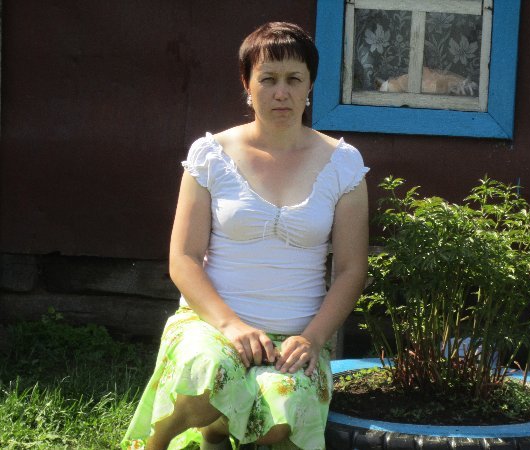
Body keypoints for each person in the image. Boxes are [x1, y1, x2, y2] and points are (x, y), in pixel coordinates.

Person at [122, 21, 369, 450]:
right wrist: (231, 325)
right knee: (209, 378)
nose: (281, 92)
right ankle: (156, 440)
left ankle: (217, 432)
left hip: (296, 337)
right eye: (268, 79)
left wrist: (312, 338)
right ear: (247, 84)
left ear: (310, 84)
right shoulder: (211, 155)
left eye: (294, 79)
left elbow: (351, 269)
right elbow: (183, 258)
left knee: (282, 416)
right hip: (213, 325)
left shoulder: (343, 163)